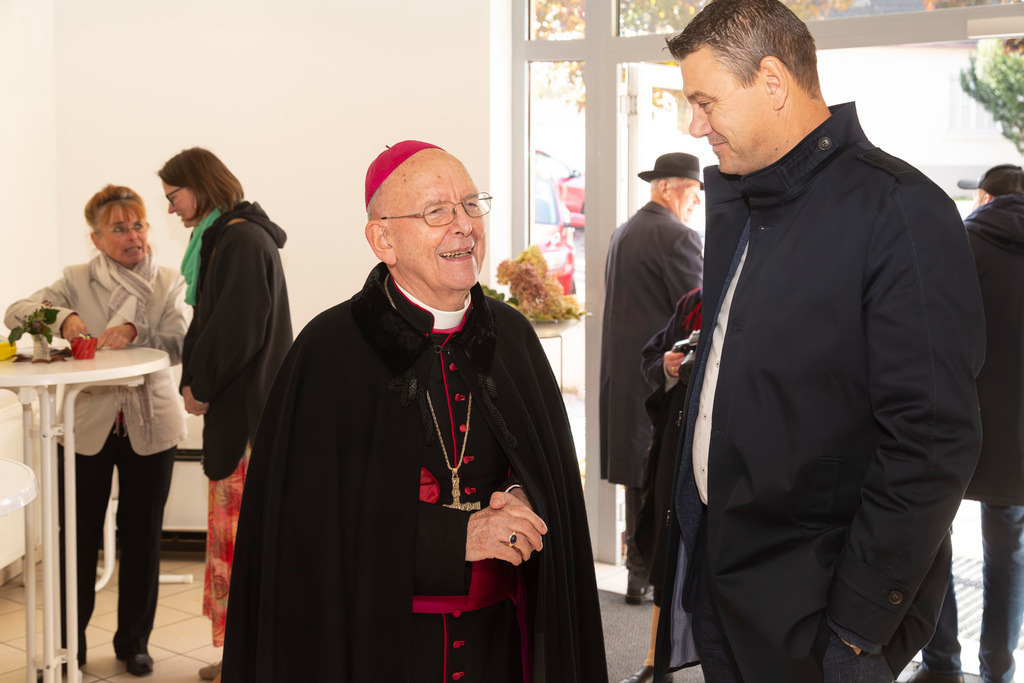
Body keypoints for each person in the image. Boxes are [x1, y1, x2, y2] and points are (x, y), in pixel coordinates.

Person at [653, 1, 986, 680]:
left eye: (705, 100)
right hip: (725, 581)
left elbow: (930, 440)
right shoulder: (746, 200)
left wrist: (858, 627)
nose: (694, 123)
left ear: (772, 82)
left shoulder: (900, 210)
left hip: (821, 613)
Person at [220, 140, 608, 682]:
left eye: (472, 205)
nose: (463, 225)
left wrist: (523, 494)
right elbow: (308, 530)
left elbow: (547, 470)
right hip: (377, 650)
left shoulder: (511, 335)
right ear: (383, 239)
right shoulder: (328, 352)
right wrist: (459, 538)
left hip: (503, 642)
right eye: (436, 211)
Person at [5, 185, 188, 677]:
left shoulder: (169, 280)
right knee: (78, 540)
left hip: (153, 426)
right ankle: (70, 647)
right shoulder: (74, 280)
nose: (133, 236)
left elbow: (179, 341)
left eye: (139, 225)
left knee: (143, 537)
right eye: (119, 228)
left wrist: (135, 332)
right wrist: (62, 317)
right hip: (86, 427)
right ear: (97, 238)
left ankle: (135, 643)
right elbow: (16, 311)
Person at [157, 148, 292, 681]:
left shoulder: (236, 239)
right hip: (247, 417)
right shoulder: (234, 236)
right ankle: (242, 654)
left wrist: (200, 385)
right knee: (237, 548)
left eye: (173, 196)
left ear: (198, 185)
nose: (170, 209)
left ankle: (248, 658)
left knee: (242, 549)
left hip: (245, 422)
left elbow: (236, 331)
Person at [910, 164, 1024, 683]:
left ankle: (941, 664)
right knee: (1008, 555)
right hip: (1019, 439)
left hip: (959, 429)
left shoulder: (963, 243)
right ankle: (998, 669)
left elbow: (931, 335)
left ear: (985, 196)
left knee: (935, 547)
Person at [599, 153, 704, 606]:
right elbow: (699, 311)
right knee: (658, 481)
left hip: (622, 379)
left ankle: (636, 575)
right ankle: (658, 578)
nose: (696, 205)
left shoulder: (624, 232)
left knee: (635, 481)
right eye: (694, 194)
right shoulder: (676, 236)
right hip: (657, 378)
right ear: (669, 189)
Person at [620, 289, 704, 683]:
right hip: (678, 438)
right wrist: (670, 367)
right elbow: (651, 357)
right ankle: (657, 658)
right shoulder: (693, 304)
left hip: (730, 446)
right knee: (666, 549)